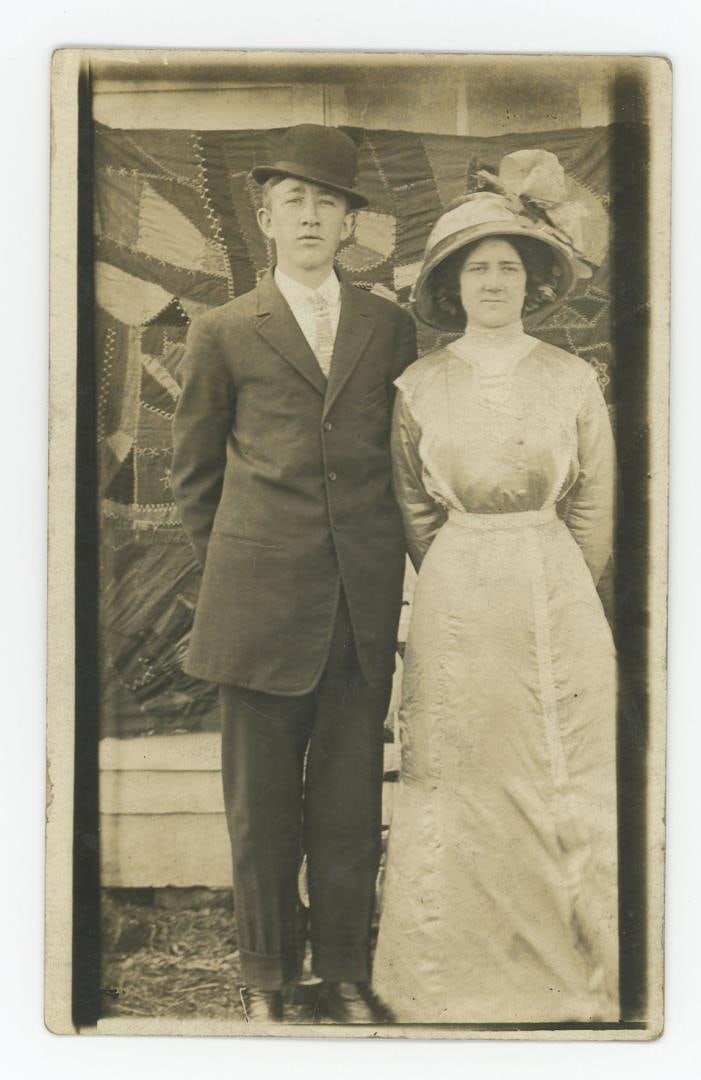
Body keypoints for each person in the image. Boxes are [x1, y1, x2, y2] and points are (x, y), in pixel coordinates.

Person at [171, 124, 417, 1024]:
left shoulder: (391, 327)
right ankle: (269, 976)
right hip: (258, 614)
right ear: (265, 217)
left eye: (327, 202)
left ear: (351, 222)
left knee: (349, 807)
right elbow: (196, 478)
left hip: (357, 609)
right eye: (292, 201)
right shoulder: (224, 329)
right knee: (262, 810)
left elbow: (398, 461)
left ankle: (345, 970)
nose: (309, 217)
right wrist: (251, 567)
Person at [372, 150, 619, 1023]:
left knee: (553, 766)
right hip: (455, 598)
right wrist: (467, 573)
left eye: (507, 267)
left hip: (552, 591)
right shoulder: (417, 385)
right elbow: (414, 508)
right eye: (475, 268)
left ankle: (568, 978)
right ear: (449, 285)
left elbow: (591, 509)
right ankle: (444, 978)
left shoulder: (569, 379)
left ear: (532, 281)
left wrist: (545, 580)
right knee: (460, 771)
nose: (491, 282)